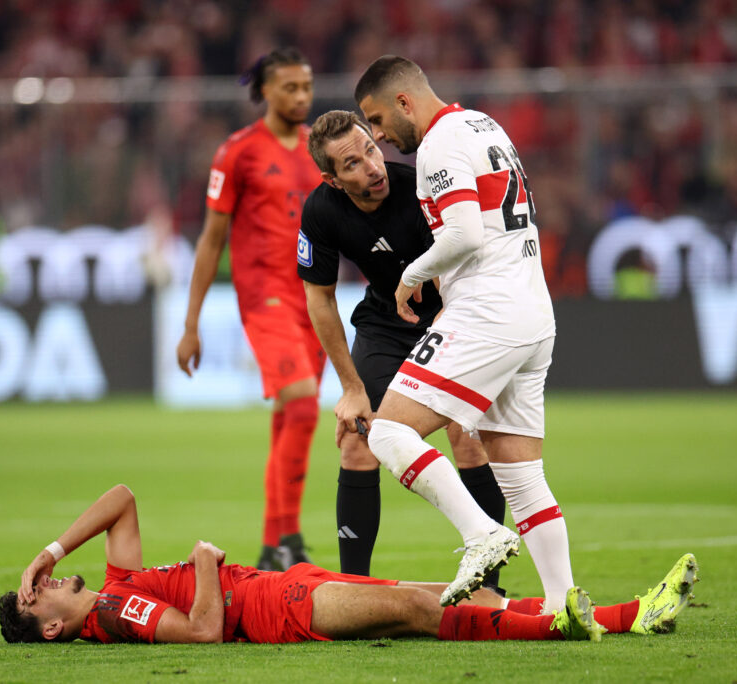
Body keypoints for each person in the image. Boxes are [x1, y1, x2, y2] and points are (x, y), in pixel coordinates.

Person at [353, 56, 569, 610]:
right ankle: (561, 601)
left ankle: (481, 535)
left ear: (404, 102)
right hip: (532, 310)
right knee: (520, 476)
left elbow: (465, 234)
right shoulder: (482, 124)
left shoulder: (438, 144)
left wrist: (411, 275)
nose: (377, 136)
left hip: (488, 311)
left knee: (387, 433)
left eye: (377, 120)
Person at [0, 484, 700, 644]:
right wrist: (206, 564)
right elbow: (203, 633)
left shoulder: (115, 584)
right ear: (53, 629)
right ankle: (576, 627)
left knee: (451, 591)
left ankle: (629, 615)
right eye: (38, 599)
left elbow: (121, 499)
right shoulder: (118, 611)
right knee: (425, 608)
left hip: (286, 587)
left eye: (36, 584)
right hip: (279, 609)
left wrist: (47, 551)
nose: (46, 587)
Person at [300, 109, 507, 581]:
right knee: (357, 437)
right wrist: (350, 387)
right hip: (386, 322)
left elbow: (468, 258)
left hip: (450, 313)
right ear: (333, 181)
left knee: (465, 433)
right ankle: (354, 588)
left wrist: (451, 321)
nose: (371, 167)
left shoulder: (420, 190)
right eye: (351, 164)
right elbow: (319, 297)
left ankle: (489, 587)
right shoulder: (321, 211)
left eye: (371, 150)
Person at [176, 48, 326, 569]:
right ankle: (287, 539)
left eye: (306, 86)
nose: (302, 97)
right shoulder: (236, 153)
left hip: (316, 297)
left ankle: (275, 543)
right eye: (290, 87)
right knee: (304, 404)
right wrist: (190, 324)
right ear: (264, 91)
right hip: (265, 297)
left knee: (291, 416)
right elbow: (211, 240)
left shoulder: (321, 147)